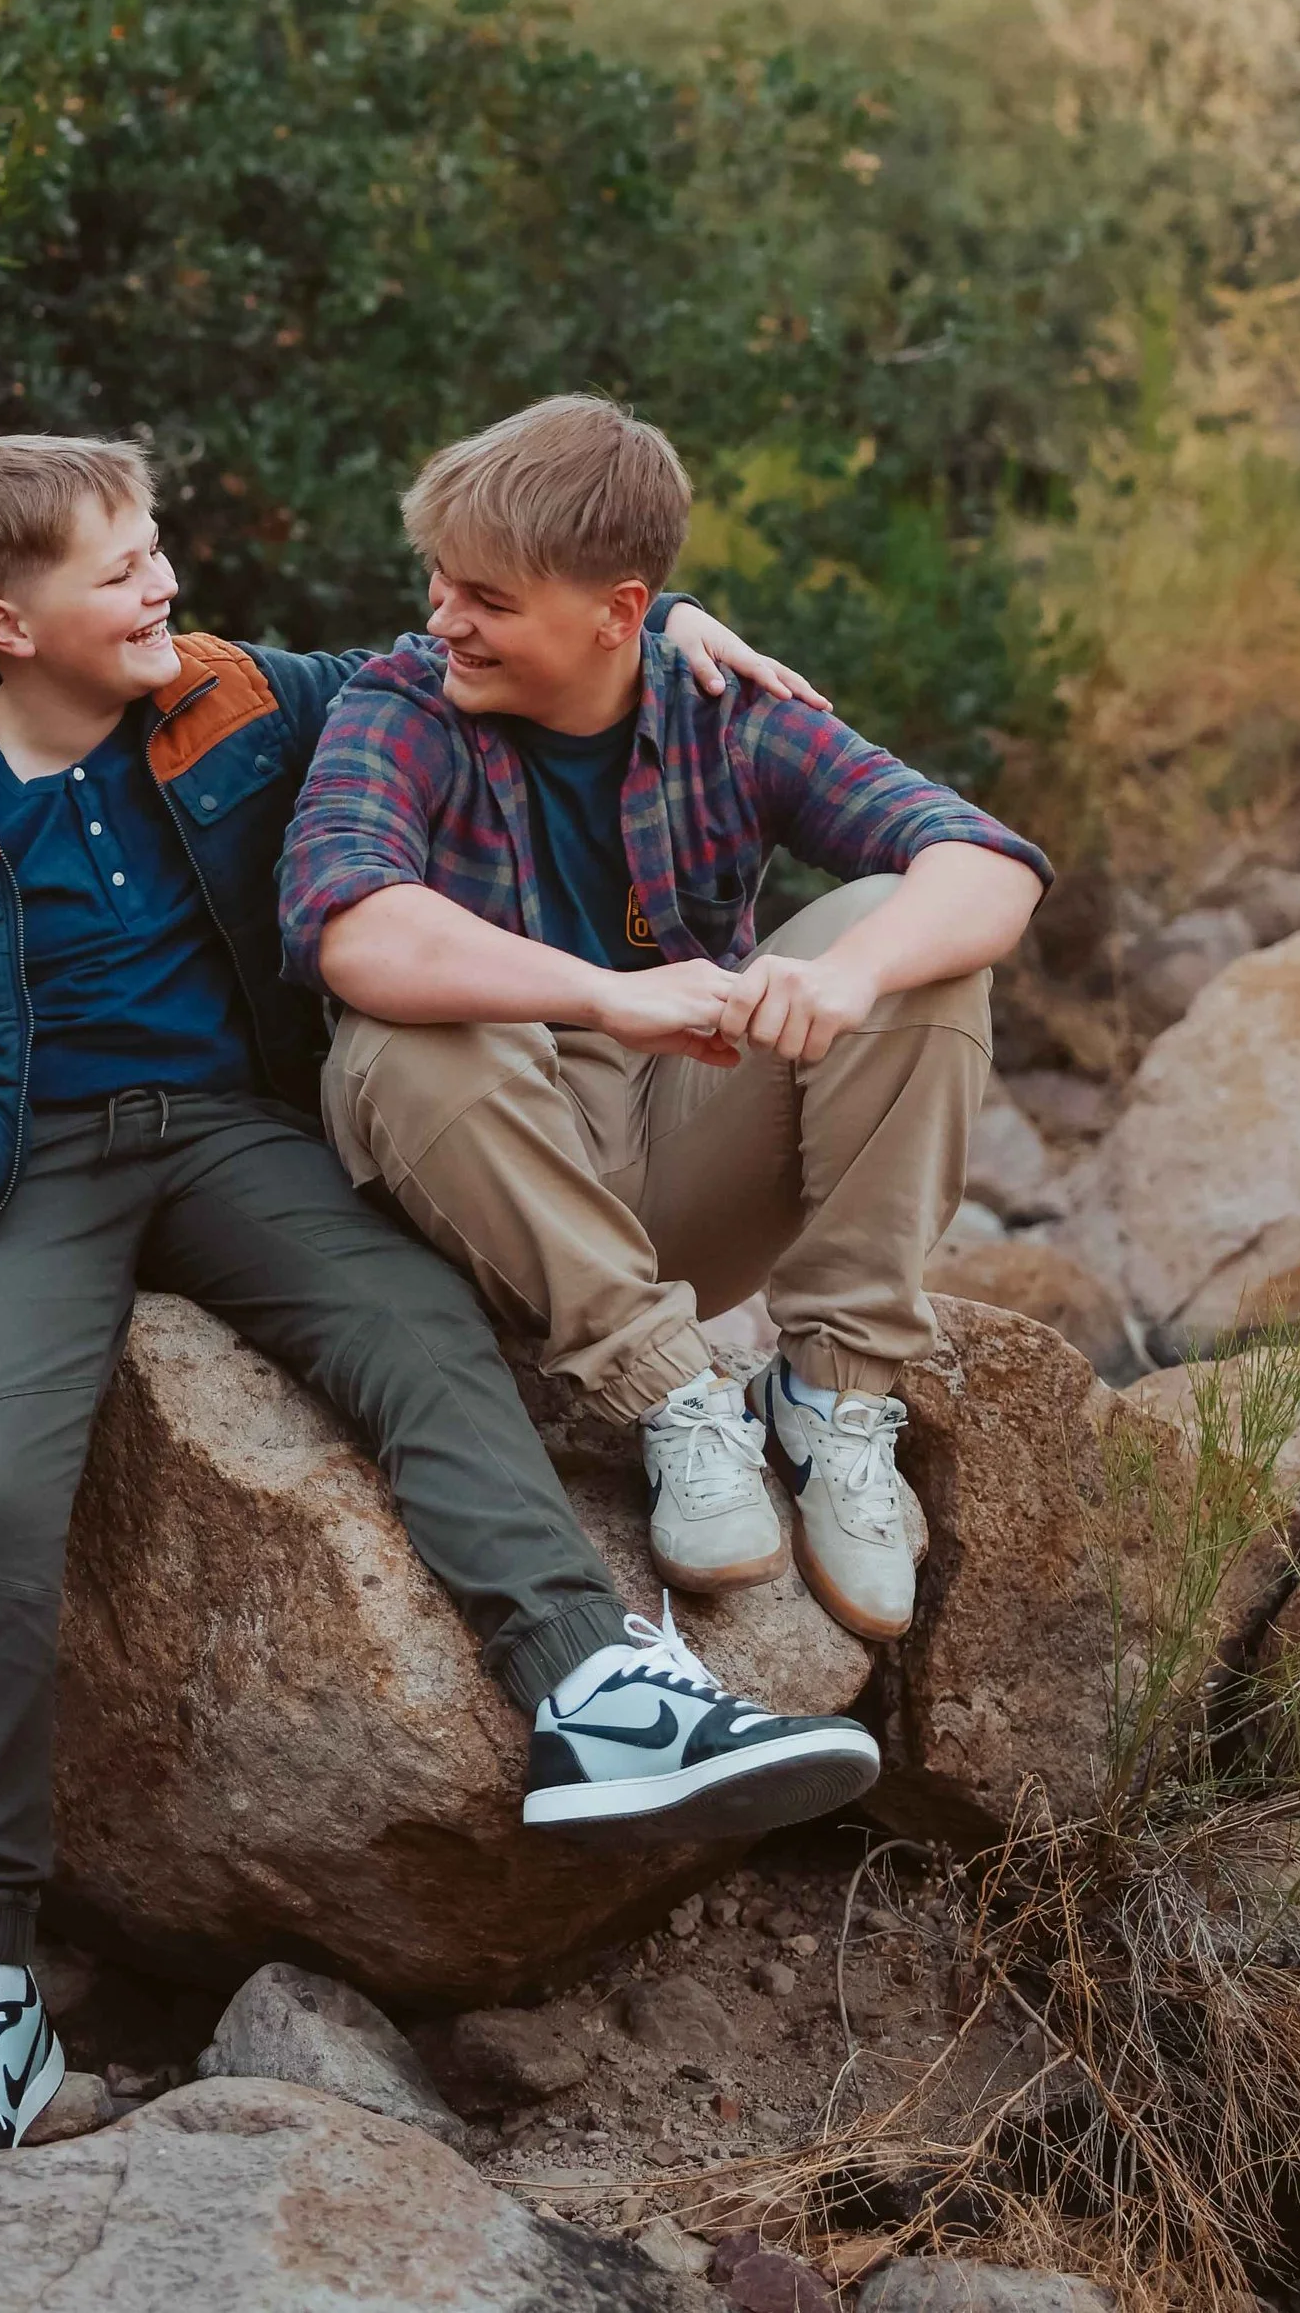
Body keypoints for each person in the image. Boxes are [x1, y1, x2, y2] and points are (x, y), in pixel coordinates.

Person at [0, 433, 884, 2171]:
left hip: (234, 1139)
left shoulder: (235, 700)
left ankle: (596, 1694)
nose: (163, 587)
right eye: (119, 572)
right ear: (4, 620)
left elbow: (478, 662)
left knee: (416, 1333)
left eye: (154, 554)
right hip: (9, 1182)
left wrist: (678, 619)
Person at [278, 395, 1049, 1655]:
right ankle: (674, 1400)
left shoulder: (724, 711)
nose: (440, 619)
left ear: (618, 611)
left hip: (687, 1159)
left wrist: (849, 980)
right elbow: (347, 922)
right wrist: (601, 992)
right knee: (403, 1026)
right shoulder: (400, 705)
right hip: (494, 1191)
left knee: (911, 942)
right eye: (438, 581)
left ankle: (830, 1399)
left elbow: (990, 865)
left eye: (485, 599)